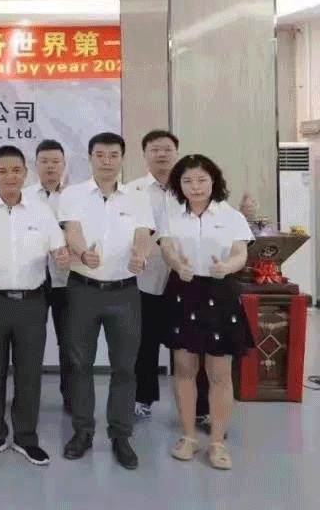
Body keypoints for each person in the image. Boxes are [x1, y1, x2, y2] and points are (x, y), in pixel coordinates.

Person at [0, 145, 70, 465]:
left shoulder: (41, 212)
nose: (10, 176)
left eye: (16, 170)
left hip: (31, 304)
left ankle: (25, 437)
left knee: (29, 373)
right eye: (3, 171)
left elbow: (58, 249)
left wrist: (62, 257)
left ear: (25, 173)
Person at [58, 132, 155, 470]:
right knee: (79, 364)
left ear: (122, 159)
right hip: (82, 290)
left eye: (113, 155)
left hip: (124, 293)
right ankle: (82, 431)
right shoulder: (72, 195)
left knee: (125, 367)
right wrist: (82, 253)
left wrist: (139, 256)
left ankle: (120, 435)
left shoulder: (138, 198)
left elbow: (143, 235)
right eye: (100, 155)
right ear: (90, 158)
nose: (106, 161)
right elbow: (71, 231)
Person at [157, 154, 253, 470]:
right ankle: (188, 436)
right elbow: (167, 248)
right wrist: (177, 264)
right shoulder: (172, 216)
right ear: (178, 185)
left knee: (219, 372)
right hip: (184, 291)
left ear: (214, 181)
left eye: (201, 180)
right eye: (187, 181)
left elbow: (240, 253)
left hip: (220, 292)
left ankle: (217, 442)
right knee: (184, 368)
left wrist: (227, 266)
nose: (195, 187)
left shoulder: (231, 216)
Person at [127, 130, 179, 420]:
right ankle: (142, 397)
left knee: (187, 343)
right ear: (145, 155)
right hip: (145, 276)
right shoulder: (132, 191)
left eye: (167, 149)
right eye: (155, 150)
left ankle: (197, 406)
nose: (161, 154)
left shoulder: (189, 187)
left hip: (183, 276)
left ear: (176, 153)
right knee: (144, 341)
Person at [22, 139, 71, 412]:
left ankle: (71, 396)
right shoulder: (24, 196)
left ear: (64, 165)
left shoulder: (75, 197)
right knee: (29, 343)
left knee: (70, 341)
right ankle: (27, 398)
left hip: (66, 280)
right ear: (36, 165)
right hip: (33, 279)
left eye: (55, 162)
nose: (50, 167)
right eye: (45, 161)